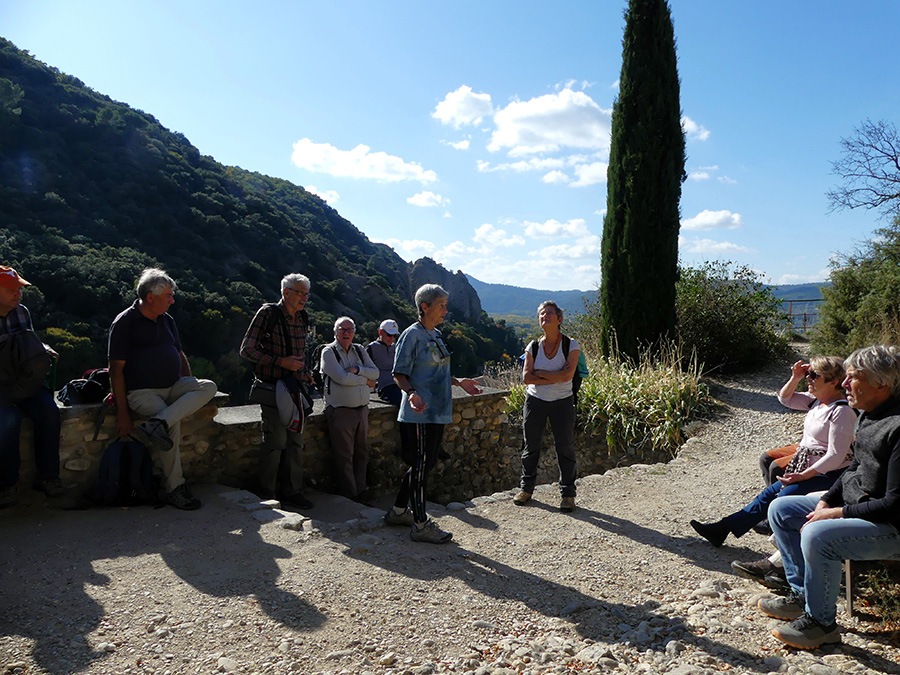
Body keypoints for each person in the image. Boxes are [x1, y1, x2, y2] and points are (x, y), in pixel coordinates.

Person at [758, 345, 900, 650]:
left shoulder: (897, 427)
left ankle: (821, 623)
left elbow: (895, 503)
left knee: (818, 535)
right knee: (781, 509)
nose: (845, 384)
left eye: (853, 378)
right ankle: (803, 595)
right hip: (858, 506)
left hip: (890, 525)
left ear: (881, 384)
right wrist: (826, 501)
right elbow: (855, 467)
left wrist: (835, 514)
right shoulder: (872, 414)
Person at [690, 357, 856, 553]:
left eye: (813, 375)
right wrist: (795, 377)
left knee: (782, 498)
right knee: (768, 494)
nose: (808, 379)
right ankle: (722, 529)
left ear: (833, 381)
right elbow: (785, 399)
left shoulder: (841, 412)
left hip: (830, 473)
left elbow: (836, 456)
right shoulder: (815, 402)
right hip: (809, 468)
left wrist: (804, 475)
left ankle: (788, 550)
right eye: (807, 374)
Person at [108, 268, 217, 510]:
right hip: (141, 392)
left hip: (173, 385)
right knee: (171, 424)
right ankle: (174, 487)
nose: (172, 300)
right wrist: (122, 412)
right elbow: (116, 369)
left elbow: (179, 354)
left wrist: (187, 385)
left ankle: (158, 423)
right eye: (168, 295)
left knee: (208, 386)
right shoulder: (125, 322)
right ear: (150, 297)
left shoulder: (167, 320)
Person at [383, 284, 482, 543]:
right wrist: (412, 393)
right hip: (419, 414)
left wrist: (460, 382)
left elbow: (437, 372)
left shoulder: (435, 334)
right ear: (424, 307)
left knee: (423, 465)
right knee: (421, 465)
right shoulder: (411, 335)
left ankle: (398, 512)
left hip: (437, 412)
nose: (446, 311)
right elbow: (399, 373)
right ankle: (420, 524)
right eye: (441, 306)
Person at [240, 273, 314, 509]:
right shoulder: (268, 313)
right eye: (300, 293)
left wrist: (305, 372)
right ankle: (267, 493)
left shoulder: (302, 318)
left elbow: (301, 356)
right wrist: (280, 362)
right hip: (272, 387)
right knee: (276, 441)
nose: (304, 298)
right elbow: (246, 350)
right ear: (286, 292)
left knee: (295, 441)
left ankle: (292, 491)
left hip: (294, 388)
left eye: (306, 294)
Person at [0, 266, 63, 508]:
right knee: (8, 421)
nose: (18, 294)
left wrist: (43, 349)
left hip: (25, 381)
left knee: (49, 411)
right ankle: (7, 485)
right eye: (11, 290)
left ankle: (49, 478)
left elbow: (29, 343)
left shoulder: (21, 312)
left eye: (19, 290)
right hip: (1, 388)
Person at [513, 301, 581, 512]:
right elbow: (526, 379)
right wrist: (556, 376)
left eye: (550, 313)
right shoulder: (532, 346)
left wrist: (539, 374)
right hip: (535, 401)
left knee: (565, 447)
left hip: (562, 402)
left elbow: (568, 376)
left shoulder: (571, 345)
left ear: (559, 319)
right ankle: (526, 489)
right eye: (542, 314)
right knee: (530, 446)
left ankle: (568, 495)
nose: (545, 316)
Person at [321, 316, 379, 499]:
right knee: (345, 455)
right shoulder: (328, 352)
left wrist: (357, 370)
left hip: (362, 409)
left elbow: (375, 372)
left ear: (354, 332)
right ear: (335, 332)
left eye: (349, 329)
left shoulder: (360, 350)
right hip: (341, 410)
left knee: (362, 453)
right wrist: (367, 381)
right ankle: (350, 495)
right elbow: (341, 378)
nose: (346, 333)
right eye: (341, 329)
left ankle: (361, 490)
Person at [366, 319, 402, 406]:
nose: (392, 338)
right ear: (381, 332)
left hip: (399, 383)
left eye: (394, 336)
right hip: (384, 386)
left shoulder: (396, 347)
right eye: (389, 335)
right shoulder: (371, 348)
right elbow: (365, 369)